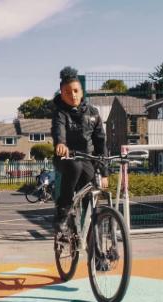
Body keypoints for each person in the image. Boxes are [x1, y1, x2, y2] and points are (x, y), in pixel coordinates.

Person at [51, 66, 109, 232]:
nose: (73, 95)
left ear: (82, 92)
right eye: (68, 92)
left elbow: (100, 143)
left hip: (87, 159)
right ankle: (63, 212)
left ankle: (95, 244)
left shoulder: (93, 113)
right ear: (62, 94)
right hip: (66, 158)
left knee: (91, 198)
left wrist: (104, 173)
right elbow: (58, 129)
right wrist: (61, 143)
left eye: (76, 91)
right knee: (74, 167)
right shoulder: (60, 113)